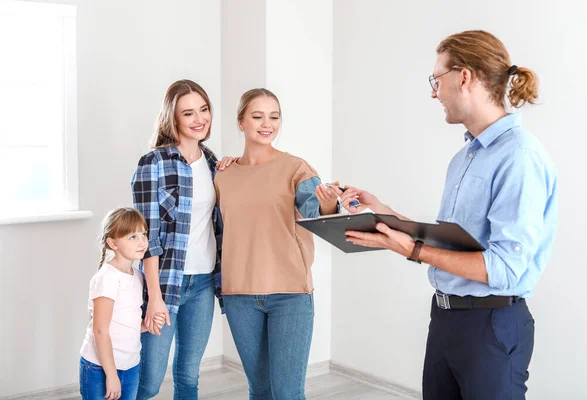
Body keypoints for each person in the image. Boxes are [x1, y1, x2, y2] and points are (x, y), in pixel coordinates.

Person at [338, 30, 558, 400]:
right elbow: (454, 239)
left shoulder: (519, 156)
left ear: (464, 76)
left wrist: (412, 250)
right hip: (445, 318)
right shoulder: (466, 156)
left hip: (491, 325)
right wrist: (385, 212)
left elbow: (505, 269)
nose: (433, 92)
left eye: (436, 79)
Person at [214, 88, 340, 400]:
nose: (267, 123)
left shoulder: (297, 169)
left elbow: (316, 212)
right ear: (241, 122)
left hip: (290, 294)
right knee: (260, 390)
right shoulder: (223, 175)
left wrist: (327, 204)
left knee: (287, 393)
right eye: (257, 116)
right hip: (239, 295)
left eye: (274, 116)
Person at [131, 79, 233, 399]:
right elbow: (147, 237)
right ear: (172, 118)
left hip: (203, 282)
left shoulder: (214, 162)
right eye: (188, 113)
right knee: (149, 380)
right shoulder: (154, 163)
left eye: (203, 109)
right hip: (165, 283)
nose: (199, 118)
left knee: (189, 375)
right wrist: (155, 297)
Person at [79, 207, 166, 400]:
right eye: (132, 237)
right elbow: (100, 330)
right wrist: (111, 375)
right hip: (100, 368)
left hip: (130, 365)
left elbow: (126, 323)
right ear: (112, 243)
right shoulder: (107, 279)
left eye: (143, 234)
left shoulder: (138, 276)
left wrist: (146, 326)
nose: (142, 242)